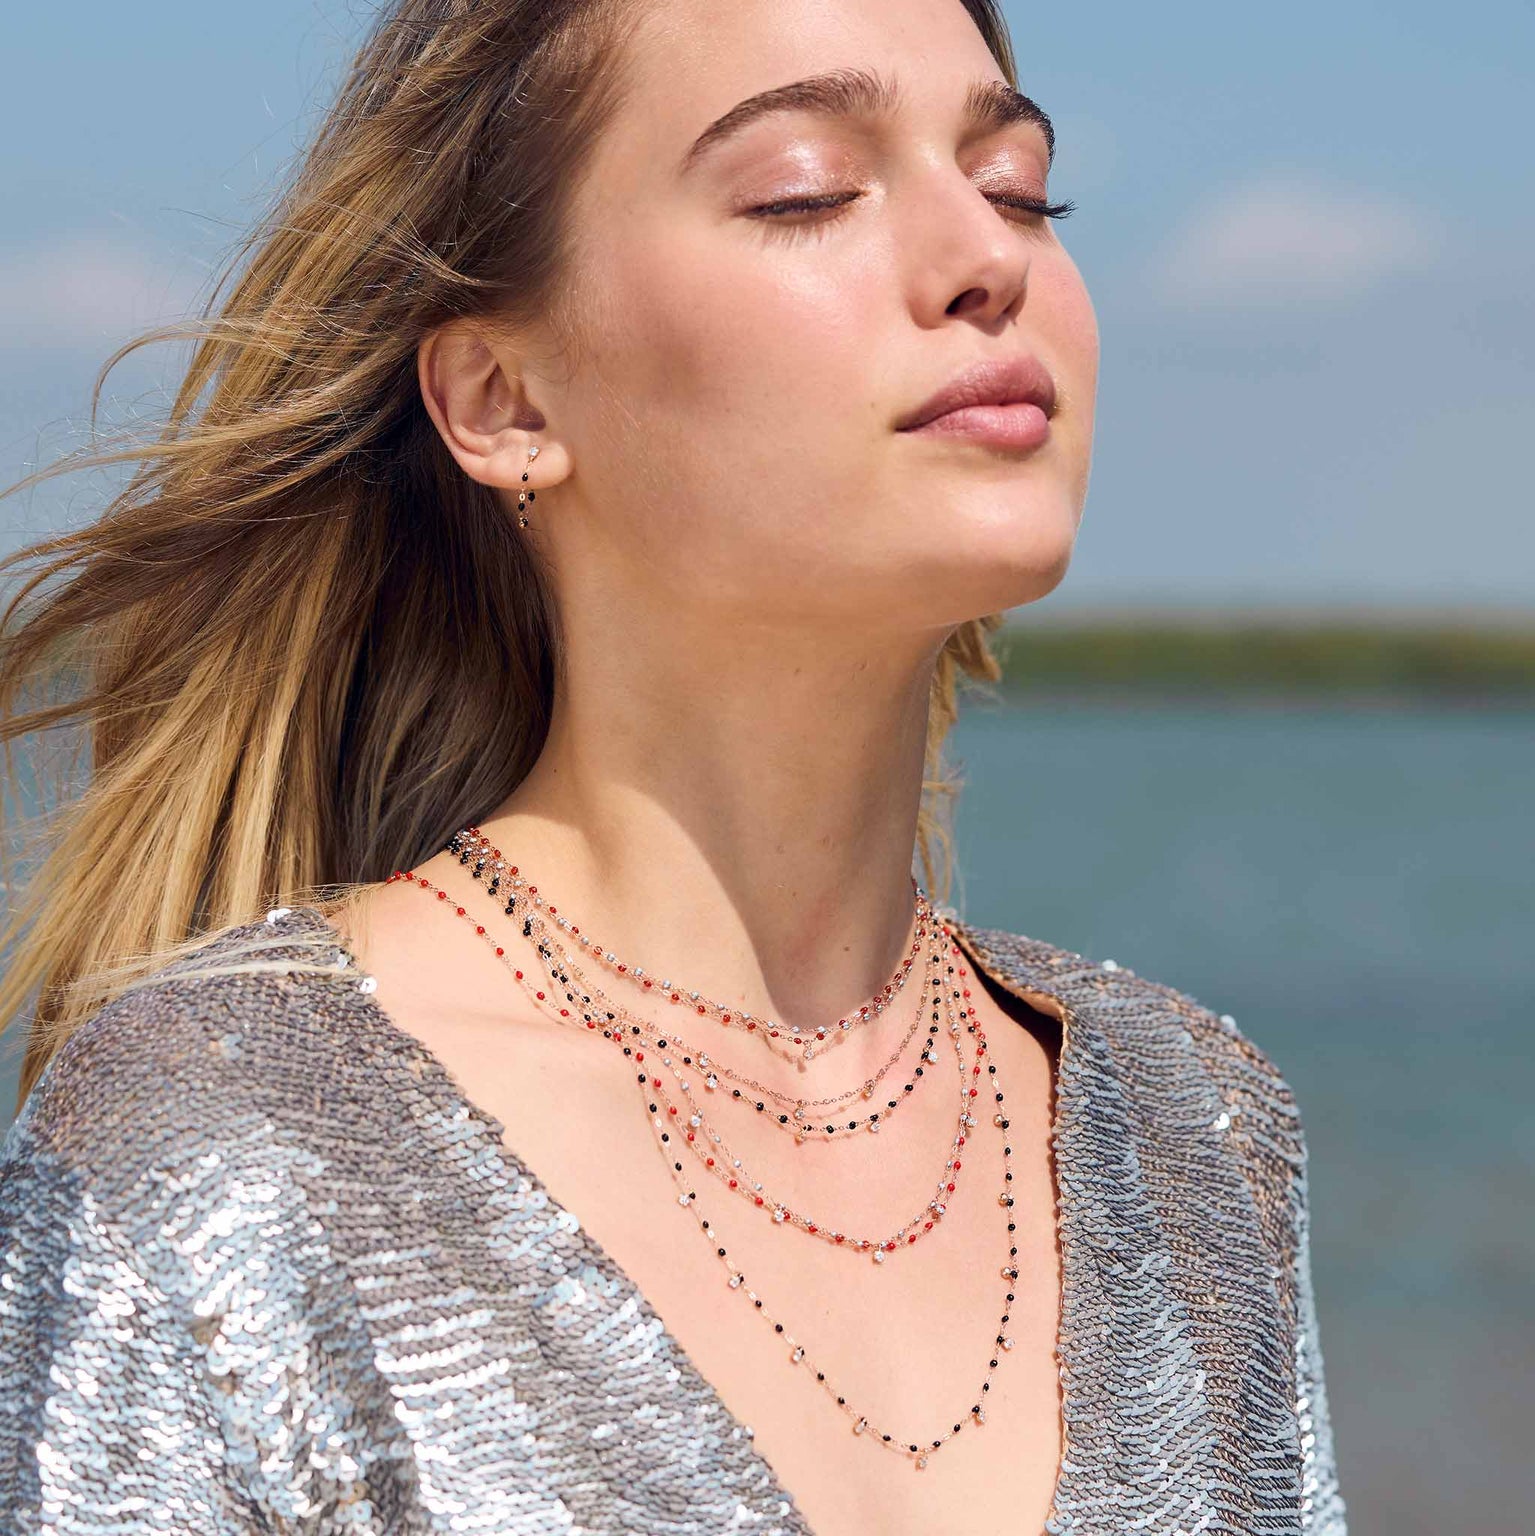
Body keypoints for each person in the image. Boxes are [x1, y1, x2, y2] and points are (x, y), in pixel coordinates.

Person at [0, 0, 1348, 1532]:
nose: (991, 255)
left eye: (1019, 183)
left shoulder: (1193, 1136)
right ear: (504, 403)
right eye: (804, 191)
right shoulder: (226, 1154)